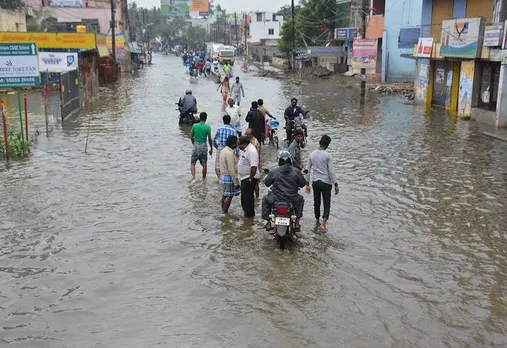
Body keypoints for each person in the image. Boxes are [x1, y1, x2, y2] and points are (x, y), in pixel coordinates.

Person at [262, 151, 306, 231]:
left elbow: (267, 183)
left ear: (279, 160)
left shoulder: (274, 171)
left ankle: (268, 223)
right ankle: (296, 222)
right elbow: (302, 184)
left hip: (275, 199)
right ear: (290, 160)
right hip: (293, 199)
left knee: (265, 199)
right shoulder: (296, 171)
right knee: (301, 199)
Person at [304, 135, 339, 233]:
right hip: (326, 183)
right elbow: (331, 171)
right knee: (326, 204)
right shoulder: (328, 155)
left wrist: (307, 183)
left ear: (320, 143)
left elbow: (307, 170)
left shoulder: (312, 154)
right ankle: (323, 224)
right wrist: (335, 184)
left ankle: (317, 221)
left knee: (317, 202)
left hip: (315, 182)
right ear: (327, 145)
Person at [237, 136, 260, 218]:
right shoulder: (245, 150)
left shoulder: (251, 151)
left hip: (249, 177)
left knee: (248, 199)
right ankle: (247, 215)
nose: (238, 146)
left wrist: (250, 178)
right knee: (244, 197)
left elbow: (254, 167)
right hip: (244, 177)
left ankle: (249, 217)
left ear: (244, 144)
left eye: (239, 145)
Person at [220, 135, 241, 213]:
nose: (237, 145)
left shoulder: (223, 150)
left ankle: (223, 210)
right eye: (236, 143)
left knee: (224, 195)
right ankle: (225, 212)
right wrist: (236, 183)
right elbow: (231, 169)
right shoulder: (230, 154)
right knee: (229, 196)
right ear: (233, 144)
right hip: (229, 177)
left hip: (223, 176)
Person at [190, 112, 213, 179]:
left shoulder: (194, 126)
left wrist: (193, 142)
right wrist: (211, 148)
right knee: (204, 164)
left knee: (193, 163)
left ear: (200, 118)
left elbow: (191, 136)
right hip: (203, 146)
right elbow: (209, 139)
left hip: (196, 145)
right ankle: (203, 179)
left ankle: (194, 177)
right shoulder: (208, 127)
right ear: (206, 118)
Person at [244, 128, 261, 199]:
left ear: (252, 135)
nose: (246, 136)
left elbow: (255, 157)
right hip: (248, 164)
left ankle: (257, 197)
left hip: (254, 164)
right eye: (246, 134)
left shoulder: (255, 143)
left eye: (248, 134)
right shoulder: (248, 141)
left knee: (255, 183)